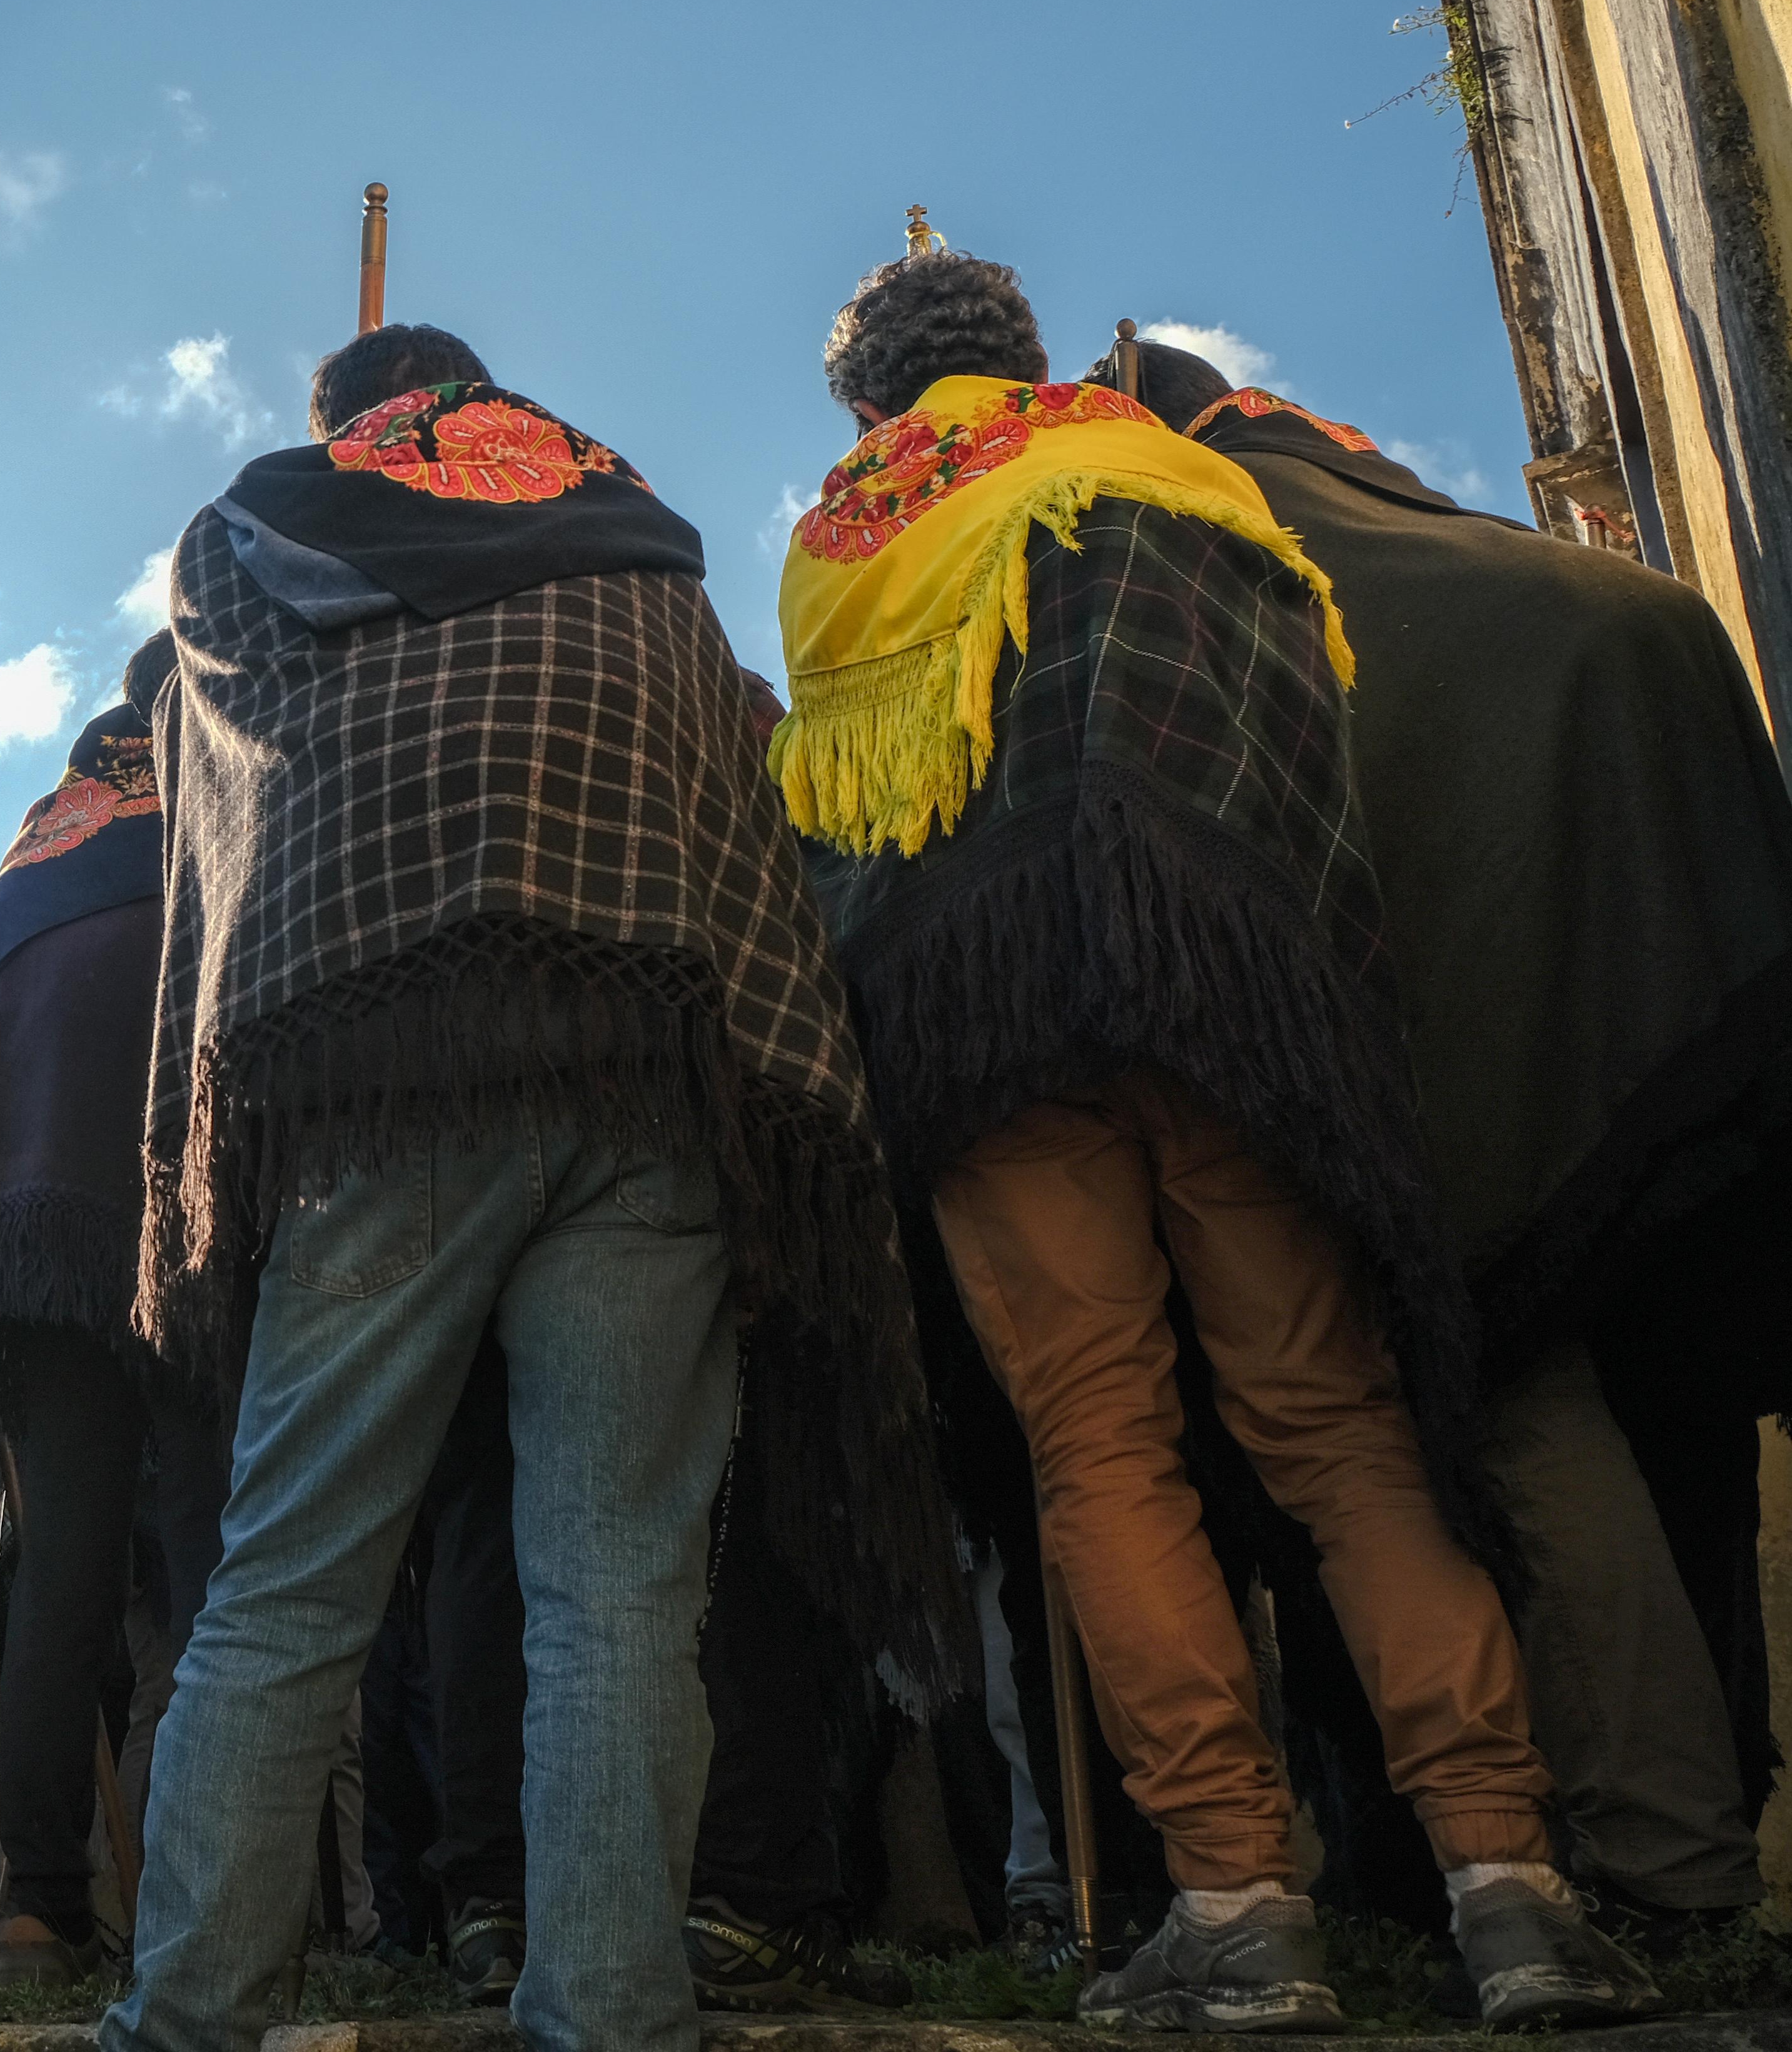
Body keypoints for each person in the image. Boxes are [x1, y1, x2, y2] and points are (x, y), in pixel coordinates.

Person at [770, 243, 1654, 2031]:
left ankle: (1240, 1910)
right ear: (1025, 354)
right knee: (1335, 1425)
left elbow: (863, 824)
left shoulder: (841, 538)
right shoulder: (1170, 464)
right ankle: (1511, 1889)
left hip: (993, 1016)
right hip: (1229, 978)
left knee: (1100, 1447)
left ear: (869, 403)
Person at [109, 325, 956, 2052]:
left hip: (389, 1062)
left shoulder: (260, 525)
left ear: (345, 427)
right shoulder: (627, 523)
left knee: (290, 1577)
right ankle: (615, 2011)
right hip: (655, 1054)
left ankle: (186, 2017)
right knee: (626, 1585)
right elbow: (735, 771)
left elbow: (228, 809)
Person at [1104, 337, 1792, 1949]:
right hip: (1702, 1050)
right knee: (1668, 1430)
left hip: (1492, 1120)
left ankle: (1659, 1874)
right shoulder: (1442, 530)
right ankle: (1692, 1830)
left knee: (1508, 1425)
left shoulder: (1232, 567)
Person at [0, 630, 230, 1984]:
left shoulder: (35, 850)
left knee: (62, 1577)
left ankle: (41, 1904)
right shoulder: (203, 816)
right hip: (169, 1226)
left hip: (15, 1250)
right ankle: (221, 1895)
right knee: (226, 1562)